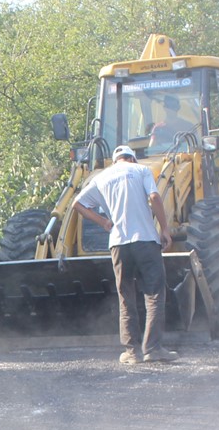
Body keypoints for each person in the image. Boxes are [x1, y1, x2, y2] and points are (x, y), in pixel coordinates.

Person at [72, 144, 175, 365]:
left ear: (115, 160)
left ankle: (132, 352)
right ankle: (153, 349)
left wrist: (104, 222)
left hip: (118, 244)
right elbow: (155, 197)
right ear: (132, 159)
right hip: (146, 240)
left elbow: (77, 204)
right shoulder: (141, 171)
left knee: (126, 297)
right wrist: (164, 229)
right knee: (154, 295)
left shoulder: (101, 177)